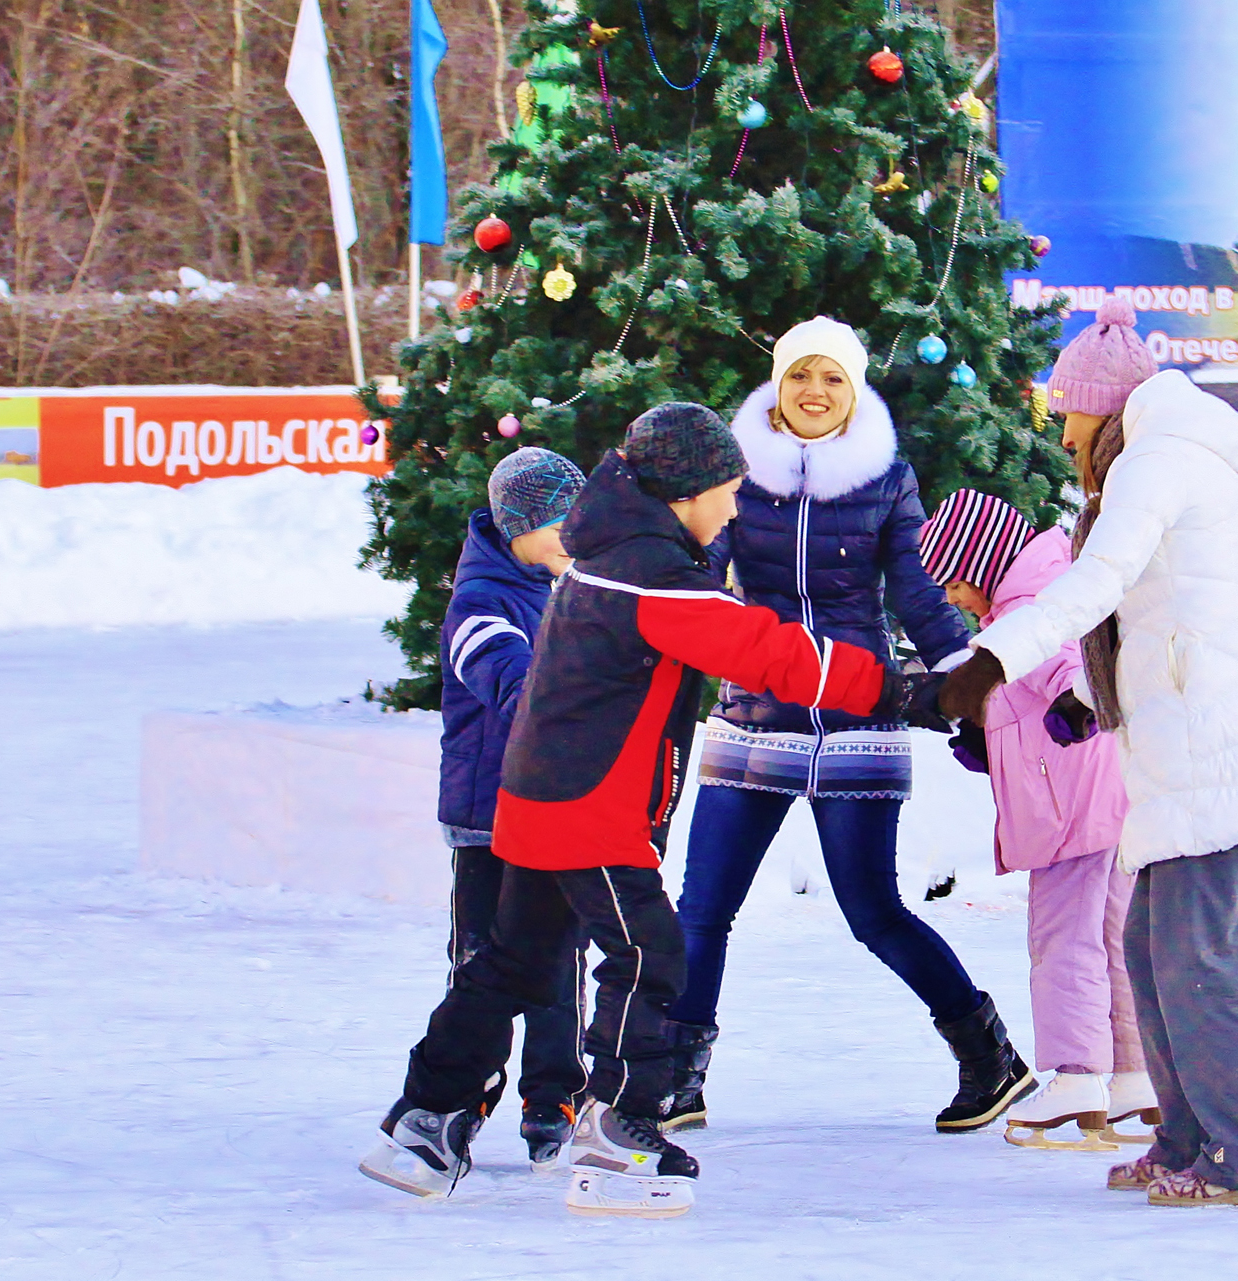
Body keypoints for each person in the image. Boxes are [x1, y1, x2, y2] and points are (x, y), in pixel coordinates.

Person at [362, 402, 917, 1219]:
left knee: (514, 960)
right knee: (652, 956)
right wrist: (894, 686)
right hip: (590, 804)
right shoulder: (648, 574)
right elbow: (763, 649)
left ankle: (424, 1123)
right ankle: (619, 1134)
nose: (733, 508)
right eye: (728, 491)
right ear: (687, 491)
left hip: (540, 796)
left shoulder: (607, 555)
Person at [945, 296, 1238, 1208]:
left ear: (1102, 407)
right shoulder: (1149, 460)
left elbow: (1093, 584)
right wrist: (1074, 700)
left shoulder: (1158, 460)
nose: (1061, 435)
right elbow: (1133, 610)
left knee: (1198, 961)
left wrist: (990, 660)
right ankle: (1187, 1136)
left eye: (1066, 412)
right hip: (1179, 742)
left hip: (1211, 745)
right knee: (1151, 949)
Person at [662, 317, 1035, 1136]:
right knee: (703, 905)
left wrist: (974, 677)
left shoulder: (886, 475)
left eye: (833, 378)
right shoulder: (735, 471)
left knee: (872, 908)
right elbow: (697, 569)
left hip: (855, 707)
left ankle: (987, 1051)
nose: (816, 392)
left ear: (855, 389)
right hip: (756, 704)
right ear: (779, 384)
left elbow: (914, 587)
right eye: (802, 376)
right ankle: (674, 1075)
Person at [916, 487, 1156, 1152]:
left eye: (957, 584)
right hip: (1105, 796)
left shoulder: (1026, 606)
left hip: (1066, 806)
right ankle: (1134, 1074)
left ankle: (1079, 1076)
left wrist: (1067, 707)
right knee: (1112, 937)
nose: (957, 602)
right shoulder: (1054, 578)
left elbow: (1065, 675)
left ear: (984, 562)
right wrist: (988, 734)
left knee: (1062, 940)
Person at [431, 447, 590, 1173]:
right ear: (516, 525)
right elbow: (506, 677)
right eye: (557, 524)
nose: (571, 537)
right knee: (483, 960)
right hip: (487, 818)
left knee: (558, 956)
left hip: (553, 808)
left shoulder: (568, 585)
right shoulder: (480, 600)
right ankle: (464, 1091)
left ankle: (552, 1090)